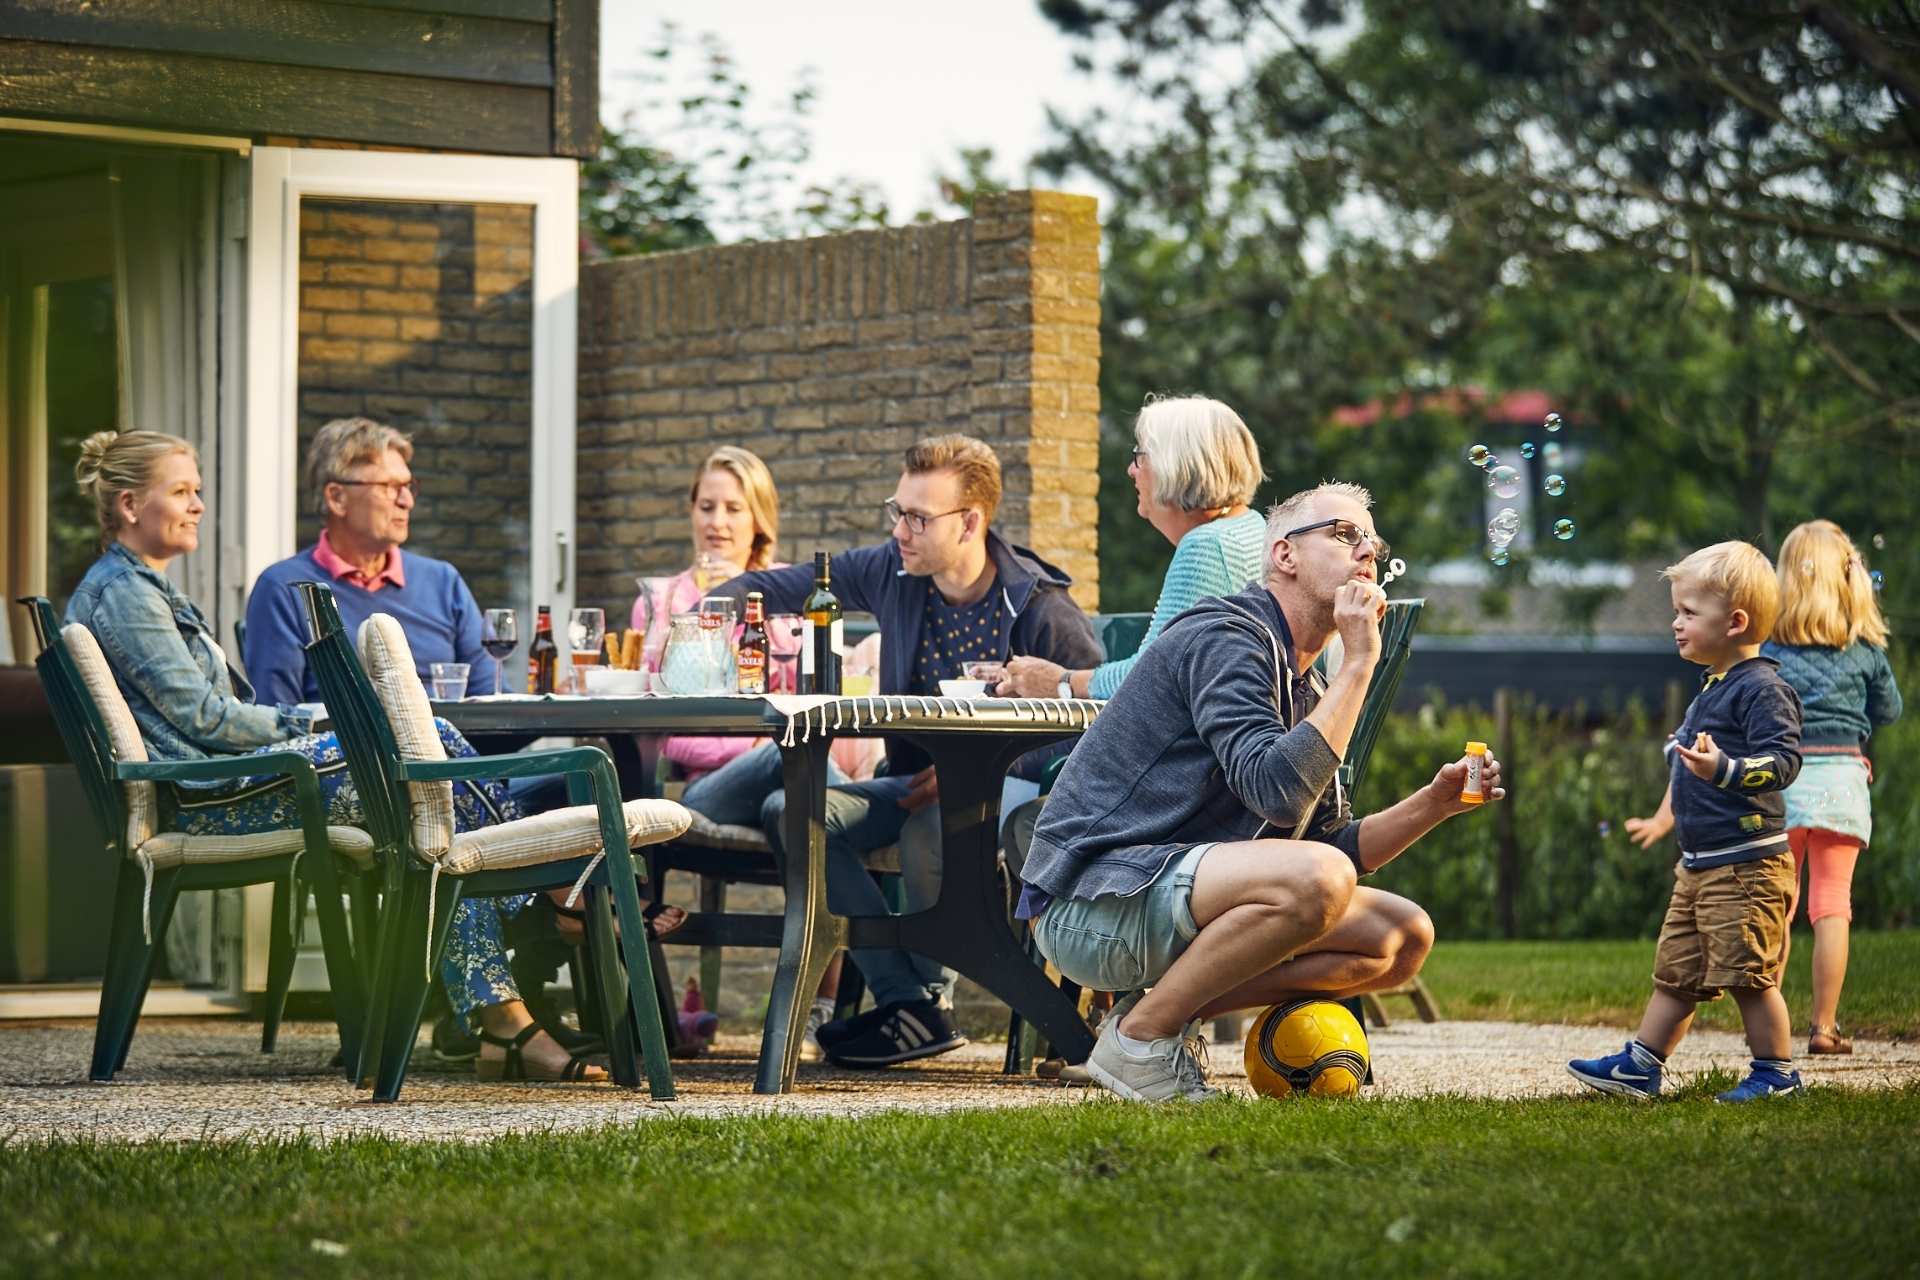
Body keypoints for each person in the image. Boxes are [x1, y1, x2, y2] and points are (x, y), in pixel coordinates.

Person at [64, 430, 601, 1082]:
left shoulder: (141, 587)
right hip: (209, 799)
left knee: (430, 796)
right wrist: (331, 716)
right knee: (426, 754)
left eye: (197, 491)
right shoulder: (125, 594)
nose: (199, 505)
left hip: (223, 786)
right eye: (181, 491)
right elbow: (206, 719)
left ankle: (505, 1015)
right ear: (128, 505)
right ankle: (545, 902)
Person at [1017, 481, 1496, 1103]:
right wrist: (1358, 664)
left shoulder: (1310, 687)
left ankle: (1152, 1016)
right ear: (1284, 556)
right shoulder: (1228, 637)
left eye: (1372, 544)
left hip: (1173, 895)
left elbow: (1331, 847)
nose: (1366, 554)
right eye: (1344, 534)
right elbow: (1276, 795)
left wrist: (1434, 803)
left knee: (1399, 936)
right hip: (1095, 901)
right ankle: (1142, 1039)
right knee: (1316, 880)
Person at [714, 433, 1103, 1067]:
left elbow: (1094, 726)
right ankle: (909, 1005)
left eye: (919, 517)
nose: (902, 529)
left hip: (1004, 797)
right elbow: (772, 586)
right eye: (898, 511)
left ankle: (926, 999)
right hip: (910, 785)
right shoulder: (893, 571)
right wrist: (706, 613)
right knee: (795, 811)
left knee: (932, 825)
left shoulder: (1040, 607)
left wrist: (980, 769)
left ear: (971, 521)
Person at [1576, 541, 1805, 1103]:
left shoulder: (1763, 689)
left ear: (1735, 622)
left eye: (1687, 613)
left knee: (1747, 973)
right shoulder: (1712, 686)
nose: (1675, 624)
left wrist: (1724, 768)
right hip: (1699, 865)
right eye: (1676, 612)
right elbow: (1687, 771)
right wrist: (1662, 819)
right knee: (1676, 971)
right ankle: (1640, 1066)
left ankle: (1776, 1073)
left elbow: (1783, 763)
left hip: (1747, 865)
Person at [997, 395, 1267, 700]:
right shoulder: (1249, 526)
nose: (1131, 470)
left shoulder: (1208, 547)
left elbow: (1150, 676)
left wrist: (1062, 682)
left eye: (1140, 456)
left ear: (1175, 465)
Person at [1761, 522, 1899, 1053]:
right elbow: (1889, 710)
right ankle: (1824, 1028)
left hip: (1785, 783)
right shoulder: (1862, 649)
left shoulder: (1770, 648)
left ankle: (1767, 1028)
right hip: (1842, 781)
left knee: (1781, 904)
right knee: (1832, 906)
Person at [244, 417, 496, 705]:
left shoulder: (442, 582)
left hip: (457, 748)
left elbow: (491, 699)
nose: (406, 501)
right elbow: (278, 720)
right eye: (389, 486)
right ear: (337, 498)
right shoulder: (285, 589)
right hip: (346, 750)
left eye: (408, 486)